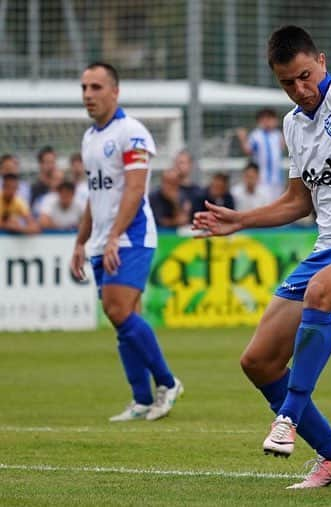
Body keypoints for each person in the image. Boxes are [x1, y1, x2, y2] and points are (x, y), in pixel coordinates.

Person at [191, 25, 331, 490]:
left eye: (305, 76)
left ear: (322, 62)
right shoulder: (293, 124)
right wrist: (241, 220)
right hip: (326, 252)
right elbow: (298, 202)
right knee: (258, 361)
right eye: (287, 83)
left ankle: (288, 417)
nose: (300, 89)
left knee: (320, 292)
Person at [69, 62, 183, 422]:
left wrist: (116, 235)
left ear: (115, 91)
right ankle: (141, 400)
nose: (89, 94)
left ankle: (168, 382)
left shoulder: (131, 132)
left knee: (117, 311)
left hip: (131, 235)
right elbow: (94, 194)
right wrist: (80, 242)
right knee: (124, 318)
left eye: (97, 87)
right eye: (85, 87)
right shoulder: (90, 138)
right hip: (105, 238)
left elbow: (135, 188)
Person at [236, 108, 286, 196]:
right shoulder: (256, 135)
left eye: (270, 119)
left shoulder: (278, 134)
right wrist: (243, 138)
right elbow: (248, 150)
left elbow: (282, 148)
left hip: (277, 178)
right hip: (261, 179)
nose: (267, 122)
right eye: (263, 119)